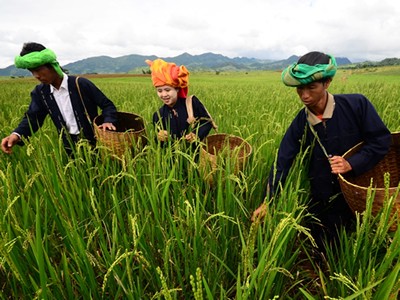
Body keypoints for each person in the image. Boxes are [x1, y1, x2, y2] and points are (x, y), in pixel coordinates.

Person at [252, 51, 391, 249]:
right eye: (300, 88)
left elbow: (381, 140)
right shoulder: (302, 122)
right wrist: (269, 200)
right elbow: (283, 160)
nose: (304, 95)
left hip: (358, 195)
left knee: (361, 244)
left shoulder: (356, 105)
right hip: (322, 199)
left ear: (327, 83)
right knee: (323, 246)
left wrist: (351, 163)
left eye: (311, 87)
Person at [1, 42, 117, 156]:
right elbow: (33, 118)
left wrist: (108, 120)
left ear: (52, 65)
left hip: (95, 142)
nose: (36, 76)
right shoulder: (41, 92)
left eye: (38, 69)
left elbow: (107, 105)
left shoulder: (80, 84)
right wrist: (17, 134)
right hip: (69, 145)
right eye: (32, 71)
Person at [145, 58, 216, 145]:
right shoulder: (158, 115)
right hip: (173, 157)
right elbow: (159, 143)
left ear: (177, 89)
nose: (164, 95)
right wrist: (160, 137)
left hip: (195, 154)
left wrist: (196, 135)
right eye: (159, 91)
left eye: (167, 90)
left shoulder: (192, 103)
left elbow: (207, 121)